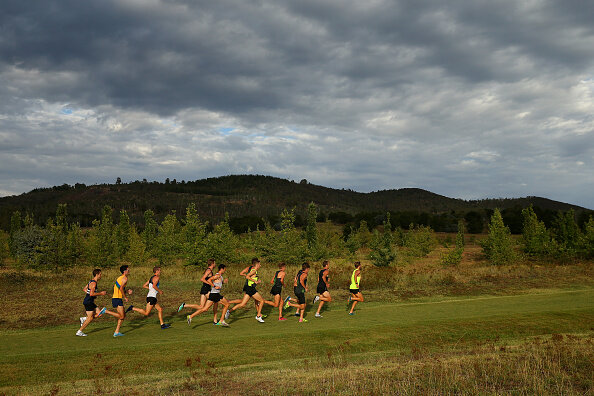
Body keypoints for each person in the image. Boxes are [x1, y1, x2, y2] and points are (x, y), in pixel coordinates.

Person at [178, 259, 219, 323]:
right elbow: (202, 279)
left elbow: (209, 279)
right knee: (215, 301)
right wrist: (211, 284)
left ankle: (185, 305)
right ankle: (215, 321)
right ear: (212, 263)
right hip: (206, 289)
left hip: (204, 289)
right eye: (215, 263)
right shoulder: (208, 271)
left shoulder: (209, 270)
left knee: (201, 306)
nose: (215, 264)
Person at [225, 258, 266, 323]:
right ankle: (258, 316)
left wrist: (257, 281)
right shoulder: (254, 270)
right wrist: (254, 281)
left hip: (249, 288)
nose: (260, 265)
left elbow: (250, 278)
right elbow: (247, 276)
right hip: (250, 288)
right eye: (259, 264)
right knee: (261, 301)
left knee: (243, 304)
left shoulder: (254, 270)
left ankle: (228, 311)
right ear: (257, 264)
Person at [76, 269, 108, 336]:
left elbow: (84, 289)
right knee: (90, 318)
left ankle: (84, 318)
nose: (100, 276)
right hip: (88, 302)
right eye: (100, 274)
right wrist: (101, 293)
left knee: (100, 314)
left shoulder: (91, 281)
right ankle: (79, 331)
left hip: (89, 301)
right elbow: (91, 294)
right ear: (97, 274)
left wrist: (90, 294)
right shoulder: (94, 283)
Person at [111, 265, 134, 337]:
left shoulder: (120, 278)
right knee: (122, 316)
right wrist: (125, 297)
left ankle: (116, 332)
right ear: (124, 271)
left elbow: (120, 288)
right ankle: (105, 311)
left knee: (123, 316)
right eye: (128, 269)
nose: (129, 271)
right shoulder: (124, 278)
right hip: (117, 298)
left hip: (116, 298)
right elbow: (121, 289)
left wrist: (127, 291)